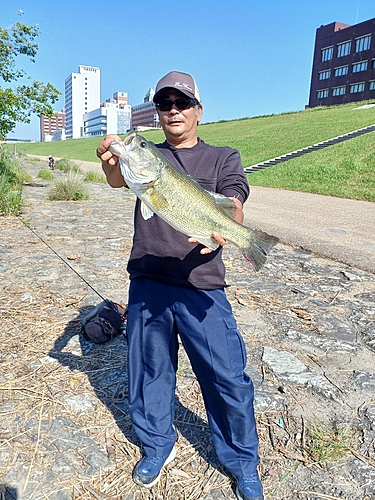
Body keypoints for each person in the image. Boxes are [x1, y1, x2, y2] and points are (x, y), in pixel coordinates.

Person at [96, 71, 264, 500]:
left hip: (201, 285)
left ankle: (242, 462)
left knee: (226, 376)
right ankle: (156, 444)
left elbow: (234, 199)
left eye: (182, 103)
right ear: (158, 113)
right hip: (149, 282)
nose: (173, 110)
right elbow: (120, 182)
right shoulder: (147, 158)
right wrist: (112, 161)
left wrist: (228, 233)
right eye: (165, 104)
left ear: (198, 111)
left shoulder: (223, 156)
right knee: (150, 371)